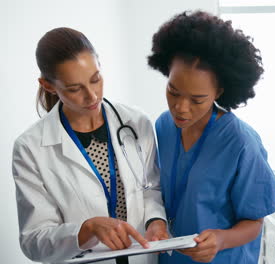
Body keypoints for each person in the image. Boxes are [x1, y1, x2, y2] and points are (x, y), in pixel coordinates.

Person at [12, 27, 168, 264]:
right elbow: (34, 240)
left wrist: (156, 222)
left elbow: (151, 189)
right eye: (75, 89)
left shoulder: (136, 123)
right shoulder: (30, 148)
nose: (92, 96)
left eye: (95, 79)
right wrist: (86, 230)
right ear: (48, 85)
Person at [147, 10, 275, 264]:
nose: (181, 107)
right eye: (173, 91)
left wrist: (222, 239)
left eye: (197, 99)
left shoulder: (241, 143)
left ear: (219, 92)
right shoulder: (163, 126)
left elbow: (255, 222)